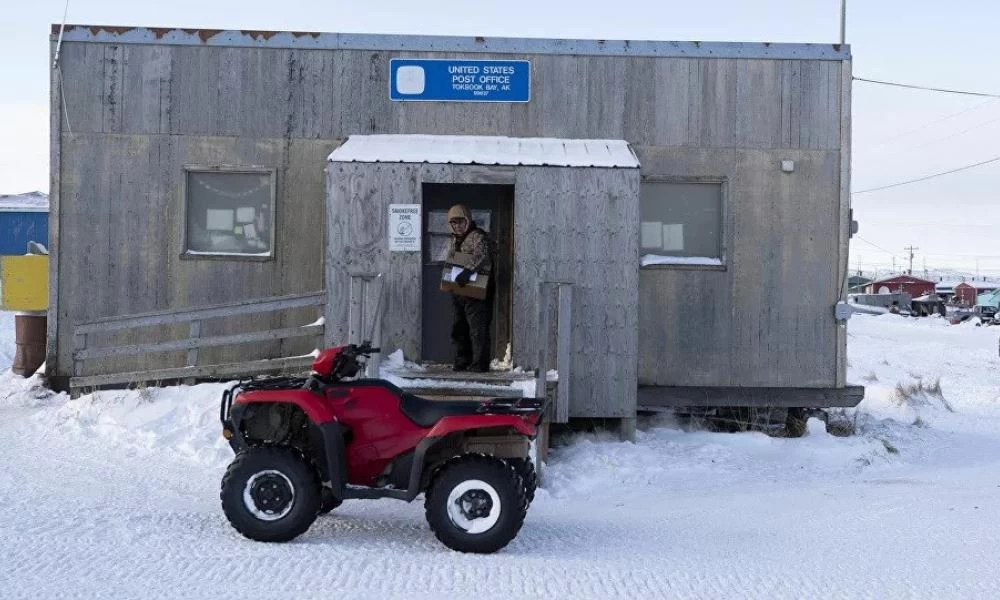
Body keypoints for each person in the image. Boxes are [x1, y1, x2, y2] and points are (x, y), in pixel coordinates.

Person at [446, 204, 494, 372]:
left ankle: (479, 363)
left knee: (477, 328)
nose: (457, 226)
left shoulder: (477, 236)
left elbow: (482, 255)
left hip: (476, 291)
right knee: (459, 328)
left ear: (467, 220)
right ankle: (463, 359)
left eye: (460, 222)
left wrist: (467, 271)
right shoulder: (453, 238)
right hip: (459, 290)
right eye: (454, 223)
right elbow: (452, 259)